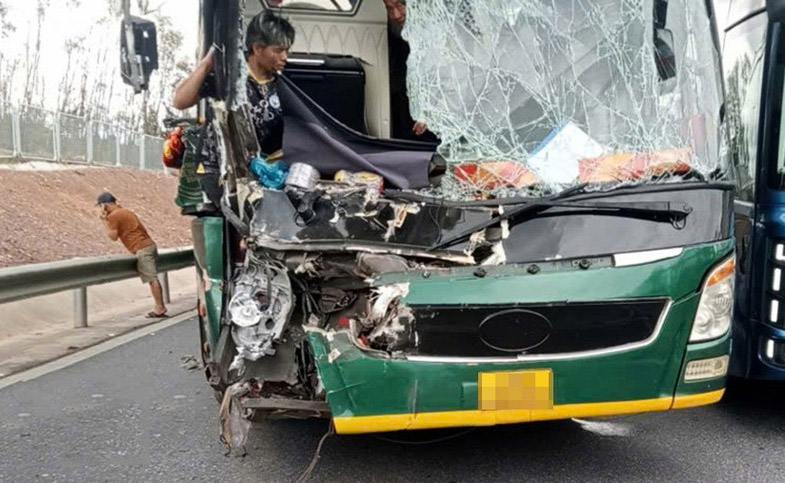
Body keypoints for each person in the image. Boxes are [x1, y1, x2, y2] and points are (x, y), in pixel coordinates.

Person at [172, 10, 295, 165]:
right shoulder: (227, 77)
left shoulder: (283, 86)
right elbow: (179, 101)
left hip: (260, 173)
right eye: (278, 50)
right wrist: (206, 64)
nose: (285, 57)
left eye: (287, 51)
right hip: (217, 170)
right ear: (257, 49)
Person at [97, 192, 167, 318]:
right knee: (152, 278)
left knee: (151, 278)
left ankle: (159, 307)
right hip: (148, 245)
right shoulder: (125, 211)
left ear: (104, 205)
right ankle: (160, 306)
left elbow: (113, 236)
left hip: (142, 248)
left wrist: (103, 221)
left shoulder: (114, 216)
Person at [383, 0, 438, 142]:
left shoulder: (436, 32)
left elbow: (448, 78)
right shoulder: (391, 31)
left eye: (401, 6)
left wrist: (430, 113)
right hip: (402, 107)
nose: (395, 15)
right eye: (389, 9)